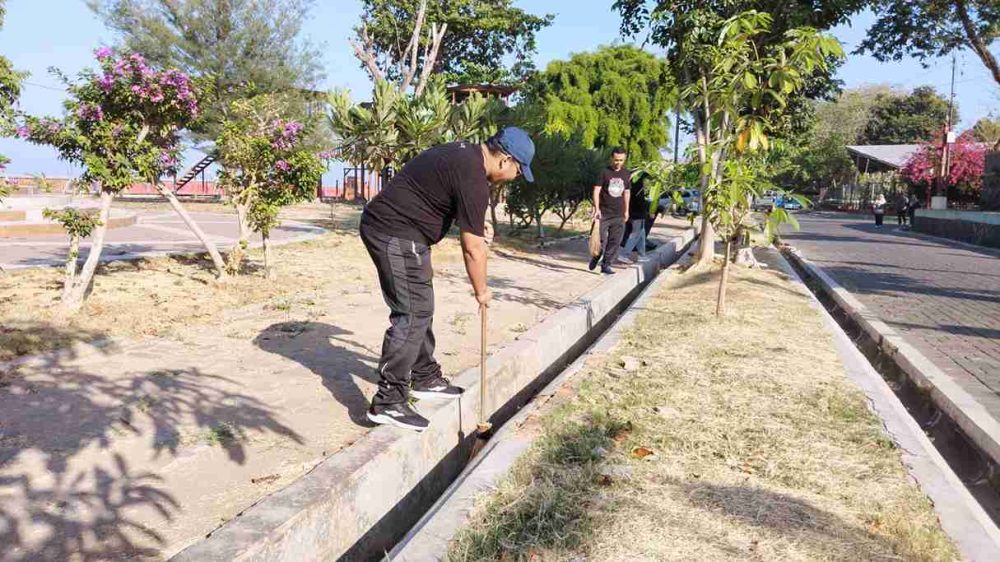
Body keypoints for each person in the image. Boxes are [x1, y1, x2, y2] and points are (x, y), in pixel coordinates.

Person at [360, 127, 534, 432]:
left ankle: (424, 376)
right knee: (412, 311)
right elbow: (472, 249)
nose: (517, 176)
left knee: (420, 304)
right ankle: (388, 402)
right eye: (519, 170)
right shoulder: (473, 175)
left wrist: (478, 228)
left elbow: (444, 199)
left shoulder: (466, 157)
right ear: (505, 160)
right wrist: (482, 291)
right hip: (392, 230)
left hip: (405, 231)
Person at [588, 148, 630, 274]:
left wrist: (627, 210)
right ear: (612, 158)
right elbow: (596, 190)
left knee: (615, 241)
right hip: (604, 213)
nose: (618, 162)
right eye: (616, 160)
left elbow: (627, 192)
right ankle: (596, 255)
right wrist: (596, 209)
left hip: (619, 213)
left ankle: (606, 265)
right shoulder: (604, 172)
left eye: (621, 160)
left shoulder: (626, 174)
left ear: (624, 159)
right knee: (599, 239)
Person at [620, 171, 650, 261]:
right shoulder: (639, 189)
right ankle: (624, 255)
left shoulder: (632, 186)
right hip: (637, 215)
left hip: (633, 213)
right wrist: (648, 205)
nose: (647, 182)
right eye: (646, 180)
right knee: (636, 234)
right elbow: (640, 203)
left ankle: (642, 255)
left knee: (641, 234)